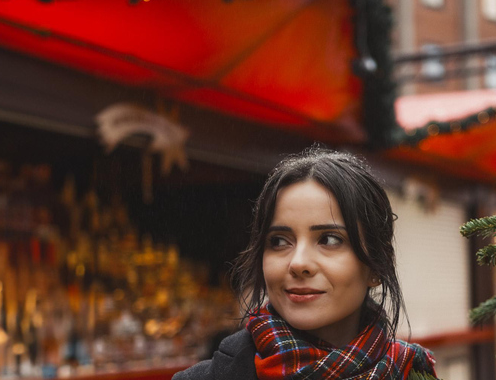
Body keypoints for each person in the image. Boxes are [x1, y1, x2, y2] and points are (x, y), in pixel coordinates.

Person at [173, 147, 438, 380]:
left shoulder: (412, 372)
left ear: (377, 267)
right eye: (278, 241)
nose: (298, 263)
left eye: (330, 239)